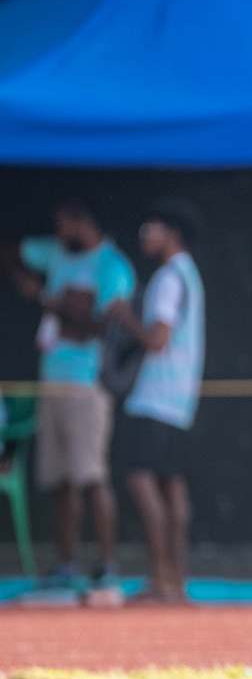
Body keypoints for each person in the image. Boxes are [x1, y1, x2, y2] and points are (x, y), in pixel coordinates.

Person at [2, 197, 135, 604]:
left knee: (91, 476)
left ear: (84, 222)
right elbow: (10, 250)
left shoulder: (113, 267)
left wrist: (47, 298)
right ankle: (65, 563)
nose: (58, 232)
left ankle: (107, 564)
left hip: (86, 385)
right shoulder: (56, 253)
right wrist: (23, 278)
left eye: (63, 223)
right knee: (59, 480)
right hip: (52, 382)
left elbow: (103, 324)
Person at [106, 200, 206, 603]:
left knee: (141, 478)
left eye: (152, 228)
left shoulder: (168, 277)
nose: (145, 235)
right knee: (170, 485)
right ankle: (176, 582)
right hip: (180, 398)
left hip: (157, 396)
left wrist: (121, 315)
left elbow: (157, 339)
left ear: (172, 234)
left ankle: (162, 580)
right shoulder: (190, 274)